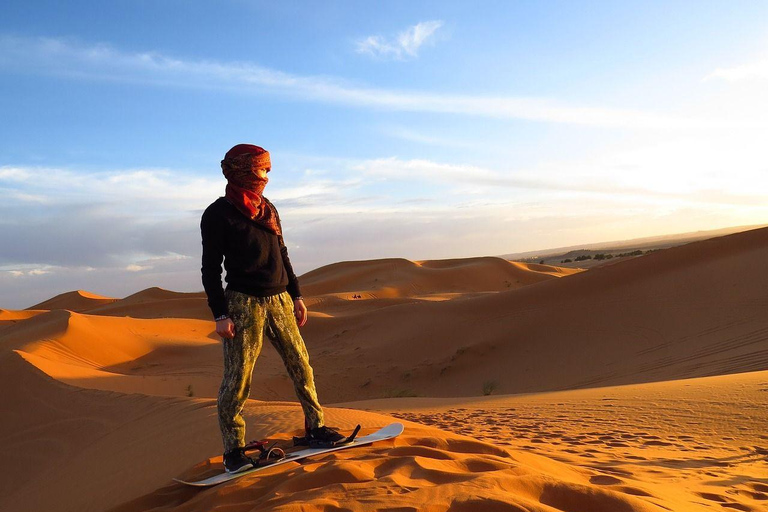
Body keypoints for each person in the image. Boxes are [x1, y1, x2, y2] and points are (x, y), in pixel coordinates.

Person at [201, 144, 344, 474]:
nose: (268, 174)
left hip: (280, 300)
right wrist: (220, 314)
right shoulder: (217, 214)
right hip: (243, 304)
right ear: (245, 171)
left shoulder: (268, 209)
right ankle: (234, 451)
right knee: (238, 380)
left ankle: (315, 428)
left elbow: (282, 253)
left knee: (301, 366)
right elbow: (210, 269)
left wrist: (297, 295)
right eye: (263, 169)